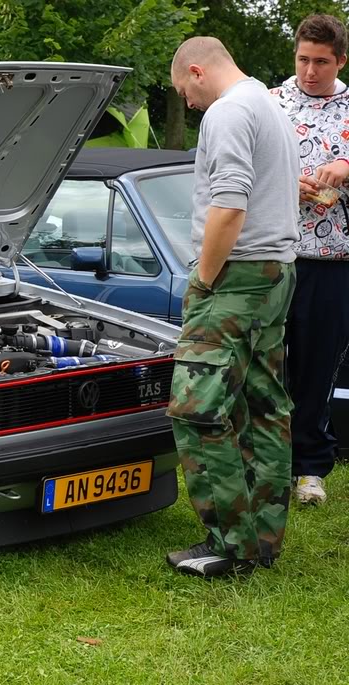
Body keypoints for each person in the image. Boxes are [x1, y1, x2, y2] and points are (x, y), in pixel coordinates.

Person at [166, 37, 300, 578]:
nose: (188, 104)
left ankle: (230, 543)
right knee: (261, 405)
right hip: (277, 272)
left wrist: (202, 276)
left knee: (195, 407)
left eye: (184, 93)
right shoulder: (270, 104)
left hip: (237, 276)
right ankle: (263, 538)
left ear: (197, 72)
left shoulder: (227, 111)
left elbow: (230, 202)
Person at [270, 14, 349, 506]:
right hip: (275, 254)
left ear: (340, 61)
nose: (310, 71)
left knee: (317, 368)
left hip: (335, 260)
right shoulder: (272, 103)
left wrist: (346, 167)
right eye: (303, 59)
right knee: (270, 365)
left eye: (321, 61)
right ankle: (268, 461)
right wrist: (286, 183)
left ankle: (310, 469)